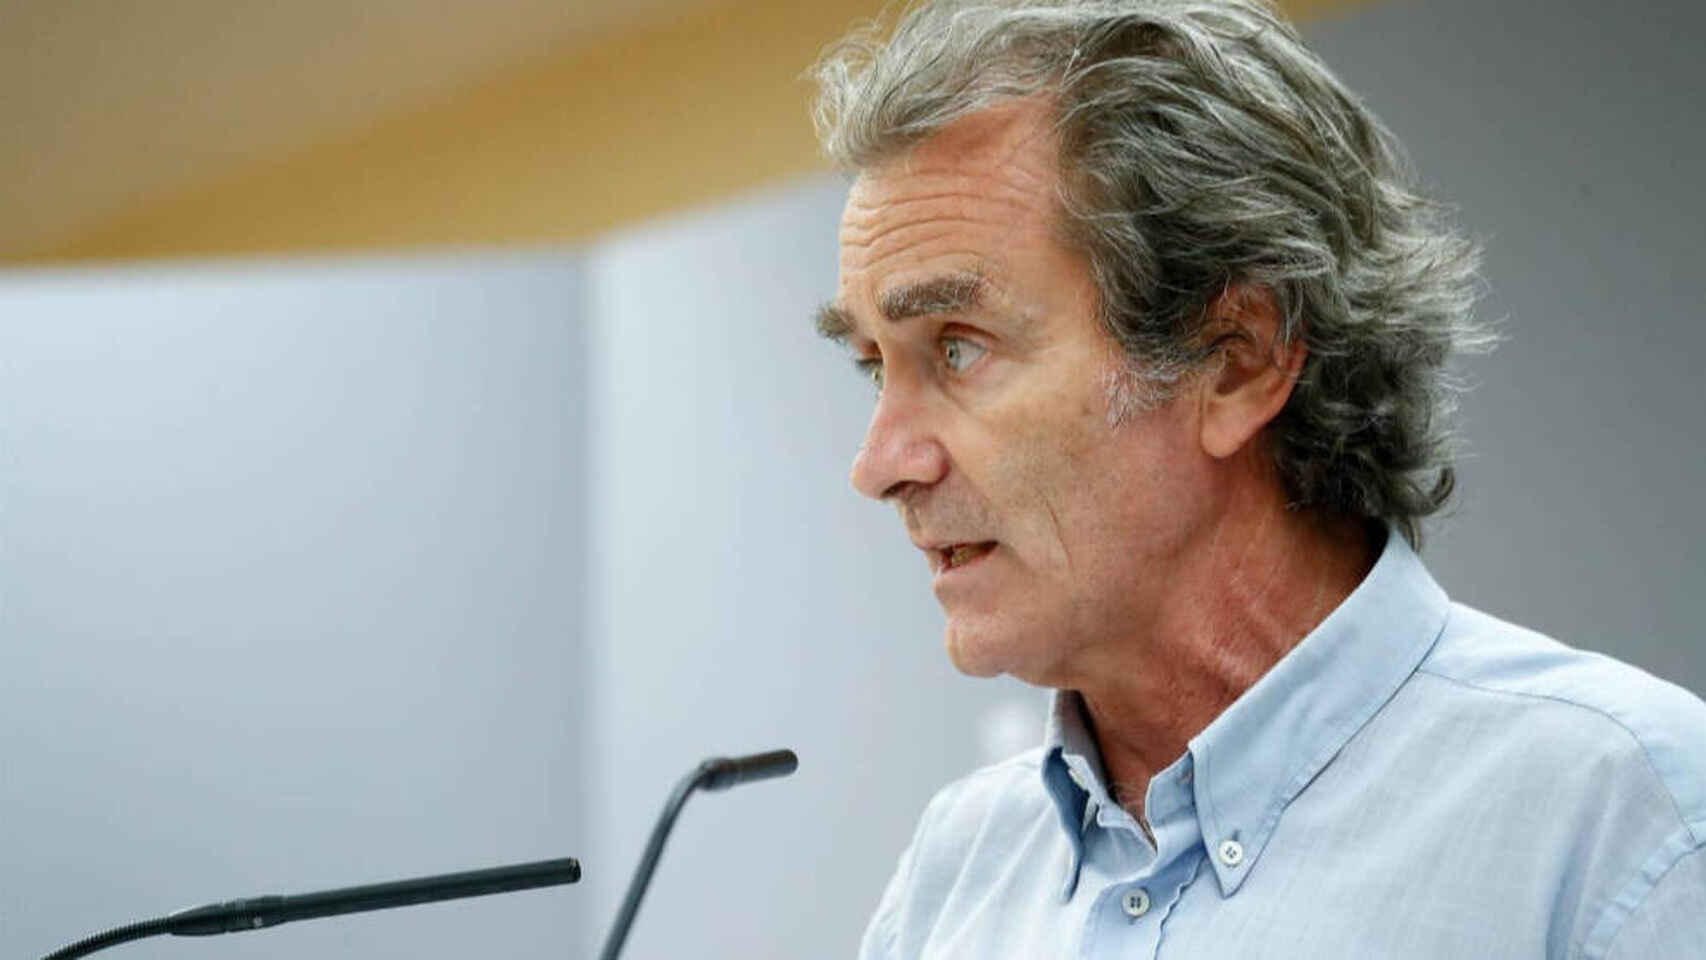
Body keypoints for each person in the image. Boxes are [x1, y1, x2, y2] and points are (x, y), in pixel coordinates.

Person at [809, 1, 1706, 956]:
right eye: (874, 366)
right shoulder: (951, 879)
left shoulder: (1627, 826)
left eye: (957, 348)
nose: (879, 465)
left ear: (1235, 360)